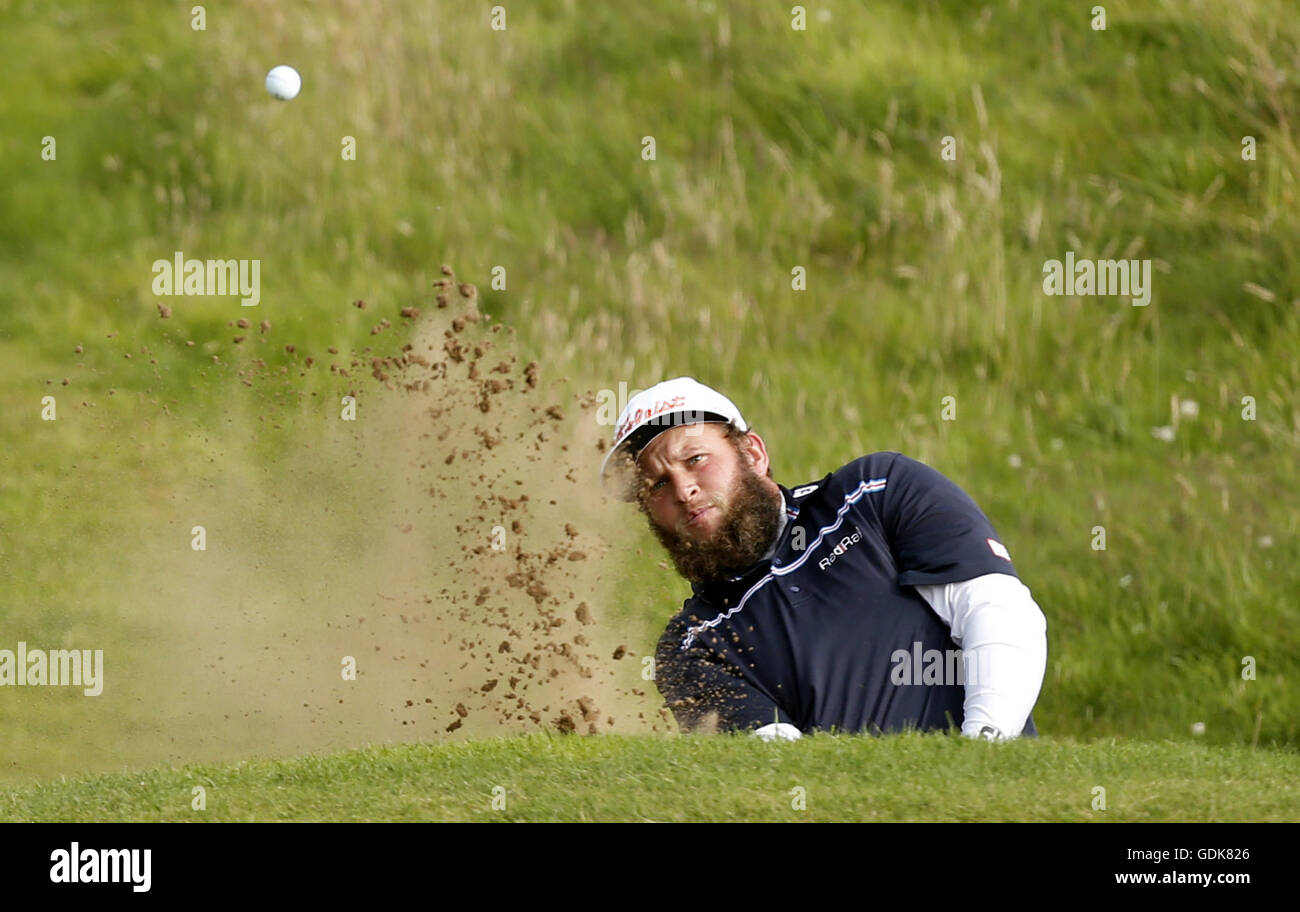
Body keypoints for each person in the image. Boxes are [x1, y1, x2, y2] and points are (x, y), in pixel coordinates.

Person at [600, 377, 1047, 741]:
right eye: (656, 485)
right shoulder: (691, 648)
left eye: (695, 459)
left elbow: (998, 613)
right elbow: (777, 765)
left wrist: (981, 753)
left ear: (752, 453)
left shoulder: (875, 492)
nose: (682, 490)